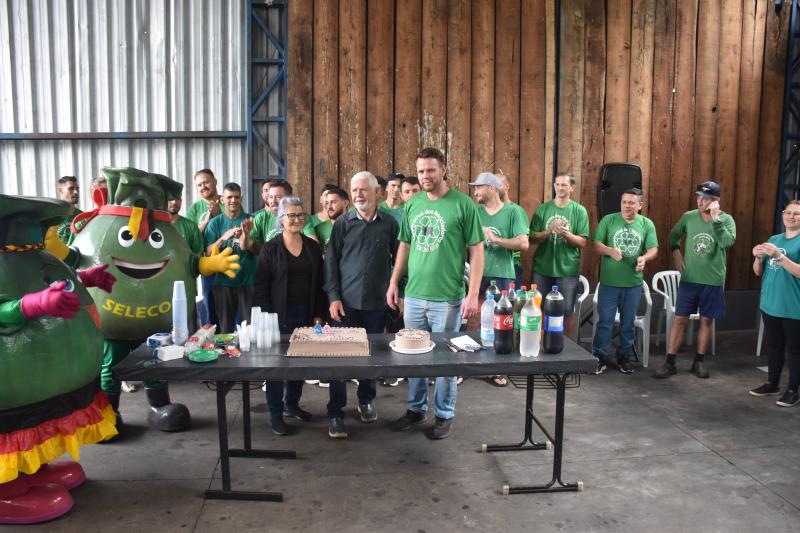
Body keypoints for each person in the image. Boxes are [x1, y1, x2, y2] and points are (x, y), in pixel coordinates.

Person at [386, 147, 484, 440]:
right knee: (413, 358)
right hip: (415, 295)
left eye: (430, 170)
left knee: (445, 360)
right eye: (420, 171)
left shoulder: (463, 204)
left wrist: (473, 293)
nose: (425, 176)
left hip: (448, 298)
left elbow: (477, 250)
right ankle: (416, 409)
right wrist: (394, 282)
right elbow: (404, 245)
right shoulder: (413, 204)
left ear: (443, 170)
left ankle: (444, 414)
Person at [323, 171, 399, 438]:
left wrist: (397, 287)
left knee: (371, 357)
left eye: (363, 190)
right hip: (346, 304)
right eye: (354, 190)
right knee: (340, 358)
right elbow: (330, 262)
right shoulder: (342, 224)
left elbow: (399, 260)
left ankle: (366, 400)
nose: (357, 195)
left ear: (377, 192)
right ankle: (335, 412)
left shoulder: (389, 224)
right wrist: (333, 297)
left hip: (378, 303)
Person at [254, 197, 326, 435]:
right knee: (276, 367)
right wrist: (265, 320)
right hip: (277, 316)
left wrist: (318, 316)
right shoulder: (270, 248)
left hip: (305, 314)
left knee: (298, 364)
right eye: (290, 215)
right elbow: (261, 287)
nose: (296, 219)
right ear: (281, 219)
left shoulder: (312, 247)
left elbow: (319, 286)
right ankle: (275, 414)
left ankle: (292, 405)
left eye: (299, 215)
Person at [654, 181, 736, 379]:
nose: (701, 201)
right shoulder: (688, 217)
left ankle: (698, 361)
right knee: (680, 319)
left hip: (713, 279)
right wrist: (676, 254)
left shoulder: (726, 219)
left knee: (706, 320)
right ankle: (670, 361)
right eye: (699, 196)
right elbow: (673, 237)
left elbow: (727, 242)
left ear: (716, 201)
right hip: (690, 279)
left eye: (706, 198)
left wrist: (716, 220)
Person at [470, 172, 528, 387]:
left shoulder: (513, 212)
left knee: (501, 325)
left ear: (492, 188)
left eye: (479, 187)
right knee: (474, 318)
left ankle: (497, 369)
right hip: (479, 274)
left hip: (503, 275)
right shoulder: (475, 211)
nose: (475, 192)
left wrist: (495, 239)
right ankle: (469, 366)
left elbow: (523, 244)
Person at [592, 188, 658, 375]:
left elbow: (653, 249)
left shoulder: (646, 224)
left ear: (640, 205)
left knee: (628, 323)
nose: (627, 206)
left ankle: (624, 357)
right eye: (624, 202)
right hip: (609, 283)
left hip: (633, 284)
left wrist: (644, 258)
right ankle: (600, 357)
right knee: (605, 322)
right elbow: (596, 245)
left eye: (631, 202)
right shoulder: (609, 220)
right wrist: (610, 251)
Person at [750, 200, 800, 407]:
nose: (791, 216)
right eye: (788, 212)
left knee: (795, 350)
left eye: (796, 214)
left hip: (793, 307)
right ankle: (772, 383)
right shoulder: (774, 239)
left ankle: (793, 390)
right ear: (782, 215)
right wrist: (756, 257)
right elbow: (758, 271)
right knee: (774, 346)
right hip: (770, 304)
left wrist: (779, 256)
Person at [529, 172, 590, 339]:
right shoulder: (543, 209)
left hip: (567, 271)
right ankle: (539, 344)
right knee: (537, 309)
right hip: (542, 268)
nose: (560, 188)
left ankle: (566, 350)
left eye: (564, 185)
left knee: (567, 311)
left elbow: (583, 242)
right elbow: (531, 237)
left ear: (572, 188)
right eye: (557, 184)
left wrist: (566, 234)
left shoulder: (579, 211)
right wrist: (549, 231)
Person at [203, 183, 257, 334]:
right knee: (225, 329)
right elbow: (207, 253)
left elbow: (259, 250)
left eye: (237, 197)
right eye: (229, 197)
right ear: (222, 200)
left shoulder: (251, 220)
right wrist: (223, 238)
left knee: (250, 330)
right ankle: (227, 356)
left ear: (242, 198)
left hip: (249, 281)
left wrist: (246, 236)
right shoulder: (215, 223)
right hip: (223, 282)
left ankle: (250, 358)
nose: (233, 200)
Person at [187, 169, 223, 326]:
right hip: (207, 263)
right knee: (209, 300)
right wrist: (209, 218)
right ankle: (211, 336)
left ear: (215, 181)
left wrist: (219, 212)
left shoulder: (228, 200)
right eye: (199, 185)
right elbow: (192, 235)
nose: (203, 187)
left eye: (206, 182)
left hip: (229, 260)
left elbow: (235, 225)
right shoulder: (194, 208)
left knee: (229, 302)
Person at [496, 173, 530, 288]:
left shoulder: (517, 211)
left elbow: (523, 243)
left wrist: (495, 240)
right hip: (488, 268)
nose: (494, 188)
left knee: (508, 304)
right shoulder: (484, 210)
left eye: (498, 184)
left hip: (511, 266)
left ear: (507, 186)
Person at [250, 179, 293, 250]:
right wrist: (245, 235)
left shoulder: (300, 218)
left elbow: (312, 244)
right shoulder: (261, 217)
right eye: (270, 197)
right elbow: (245, 245)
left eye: (278, 197)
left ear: (289, 198)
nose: (273, 201)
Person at [305, 186, 349, 254]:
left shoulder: (356, 225)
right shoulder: (319, 228)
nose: (329, 207)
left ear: (345, 203)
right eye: (327, 203)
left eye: (333, 202)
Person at [55, 176, 82, 244]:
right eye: (71, 189)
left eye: (77, 189)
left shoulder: (83, 217)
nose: (76, 192)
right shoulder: (51, 216)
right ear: (60, 191)